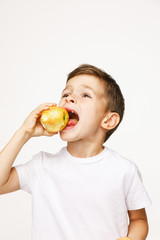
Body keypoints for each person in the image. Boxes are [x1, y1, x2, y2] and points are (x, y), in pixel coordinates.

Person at [0, 64, 151, 240]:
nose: (69, 99)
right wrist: (24, 133)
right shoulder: (41, 166)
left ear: (108, 120)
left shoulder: (124, 170)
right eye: (66, 94)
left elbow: (139, 219)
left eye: (85, 95)